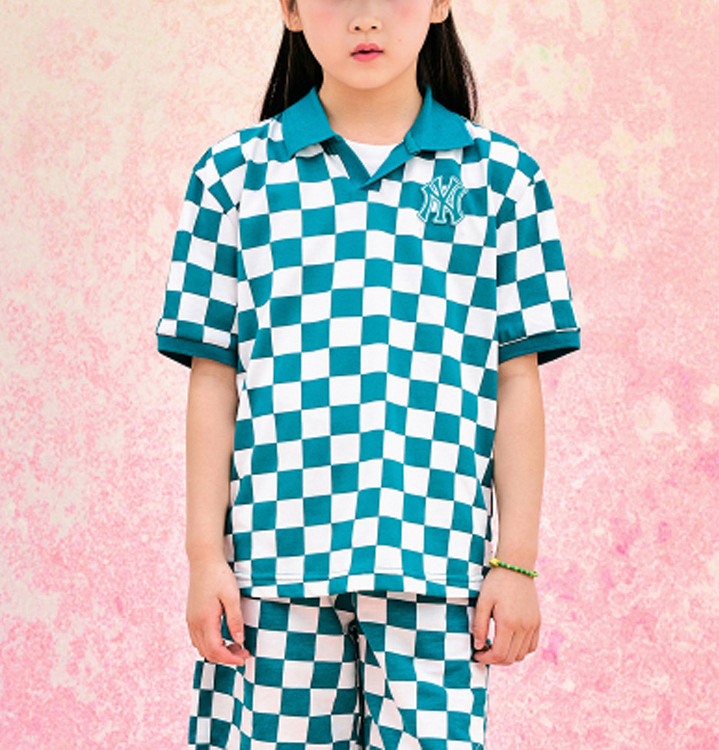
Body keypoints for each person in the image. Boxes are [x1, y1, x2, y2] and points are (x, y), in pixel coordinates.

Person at [155, 1, 581, 748]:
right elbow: (214, 380)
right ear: (291, 9)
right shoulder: (234, 177)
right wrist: (204, 558)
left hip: (438, 566)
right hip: (272, 568)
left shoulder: (502, 180)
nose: (365, 18)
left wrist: (516, 563)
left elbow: (515, 382)